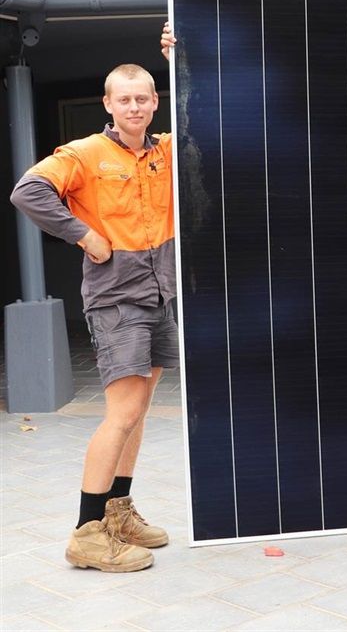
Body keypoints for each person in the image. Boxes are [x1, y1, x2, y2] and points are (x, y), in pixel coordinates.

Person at [11, 37, 177, 571]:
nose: (134, 107)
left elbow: (216, 126)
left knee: (139, 412)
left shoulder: (168, 150)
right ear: (108, 104)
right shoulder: (85, 153)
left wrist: (183, 61)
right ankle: (87, 532)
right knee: (122, 412)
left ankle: (117, 513)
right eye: (124, 99)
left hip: (159, 291)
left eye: (143, 98)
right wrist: (83, 235)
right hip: (117, 296)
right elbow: (27, 191)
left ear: (155, 102)